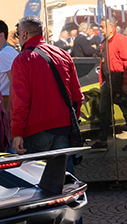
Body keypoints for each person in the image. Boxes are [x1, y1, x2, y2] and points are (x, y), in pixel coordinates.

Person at [10, 16, 83, 160]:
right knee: (63, 176)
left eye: (18, 34)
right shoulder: (63, 54)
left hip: (36, 128)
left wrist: (17, 132)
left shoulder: (23, 59)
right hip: (63, 125)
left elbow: (20, 101)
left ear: (24, 34)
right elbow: (77, 95)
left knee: (37, 176)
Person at [90, 17, 127, 152]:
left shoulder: (121, 40)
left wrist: (126, 83)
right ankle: (102, 141)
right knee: (104, 111)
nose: (100, 30)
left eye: (102, 27)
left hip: (120, 81)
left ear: (111, 27)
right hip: (109, 83)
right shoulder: (105, 42)